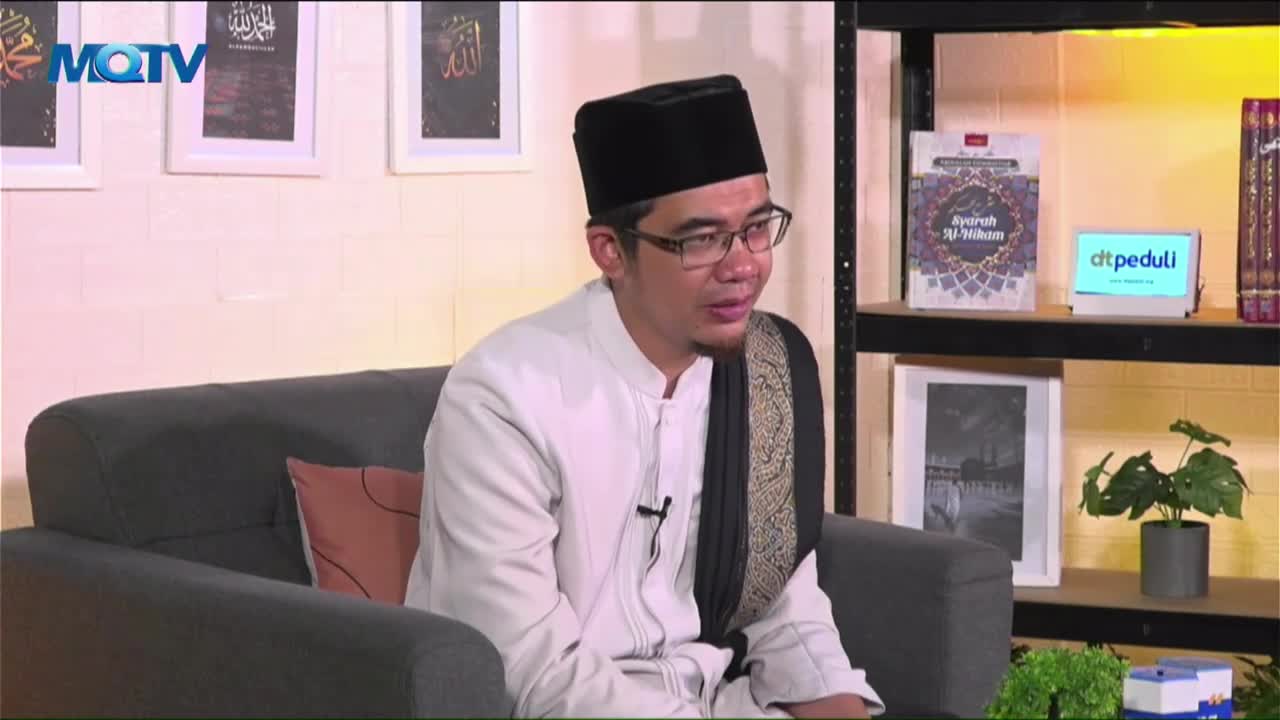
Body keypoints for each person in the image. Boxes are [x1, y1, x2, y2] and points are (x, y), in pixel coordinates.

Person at [403, 74, 884, 719]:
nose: (743, 265)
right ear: (610, 252)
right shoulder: (503, 401)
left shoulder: (766, 369)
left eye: (757, 228)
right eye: (702, 239)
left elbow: (781, 603)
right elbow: (532, 674)